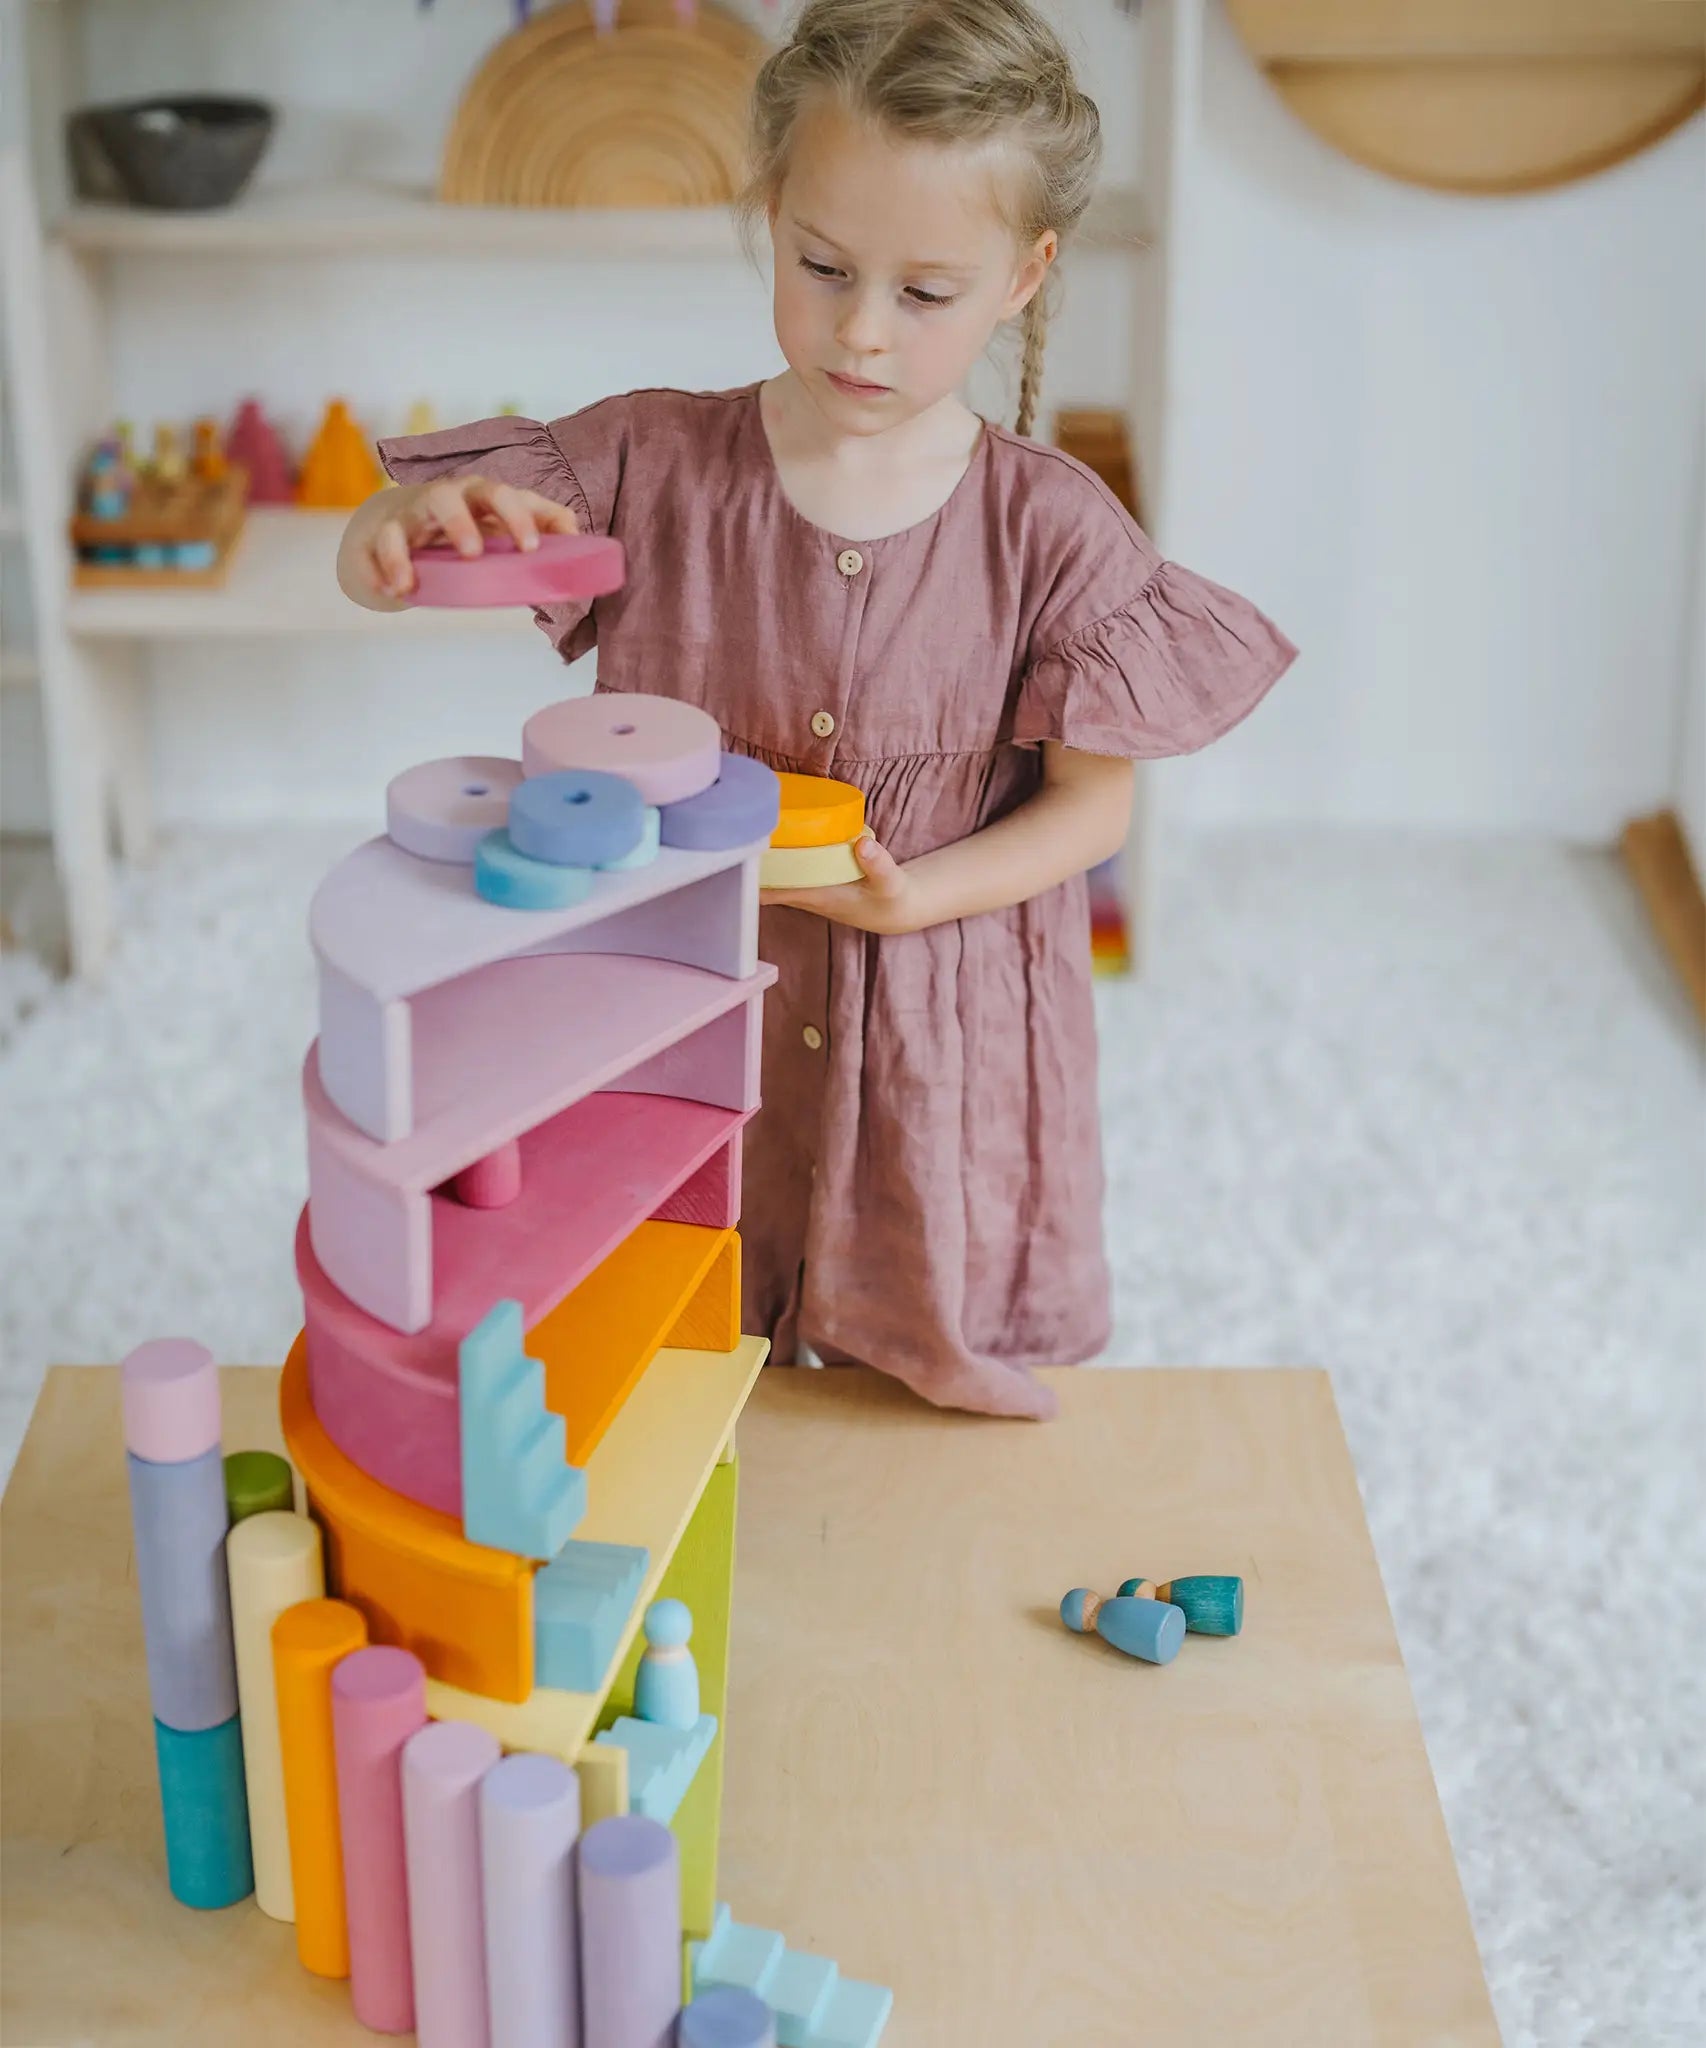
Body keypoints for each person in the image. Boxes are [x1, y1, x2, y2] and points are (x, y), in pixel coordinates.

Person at [335, 0, 1295, 1420]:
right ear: (769, 210)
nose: (859, 331)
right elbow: (401, 553)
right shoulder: (650, 454)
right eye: (821, 265)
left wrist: (922, 897)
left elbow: (1094, 805)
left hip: (932, 1001)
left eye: (924, 294)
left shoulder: (1052, 528)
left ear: (1025, 276)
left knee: (910, 1361)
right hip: (675, 975)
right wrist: (405, 526)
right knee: (664, 1310)